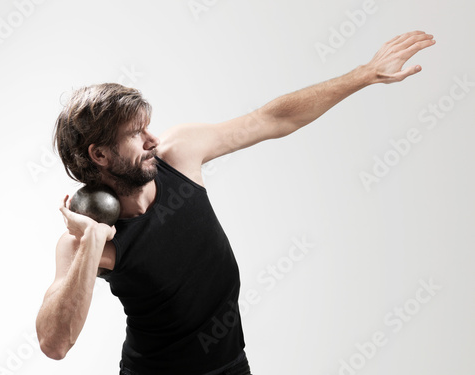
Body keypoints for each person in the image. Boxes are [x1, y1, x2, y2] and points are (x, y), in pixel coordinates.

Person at [36, 30, 435, 375]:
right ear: (100, 155)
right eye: (135, 135)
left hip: (231, 365)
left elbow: (272, 119)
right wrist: (91, 242)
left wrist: (363, 74)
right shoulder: (84, 241)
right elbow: (54, 344)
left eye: (148, 127)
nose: (152, 140)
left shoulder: (179, 155)